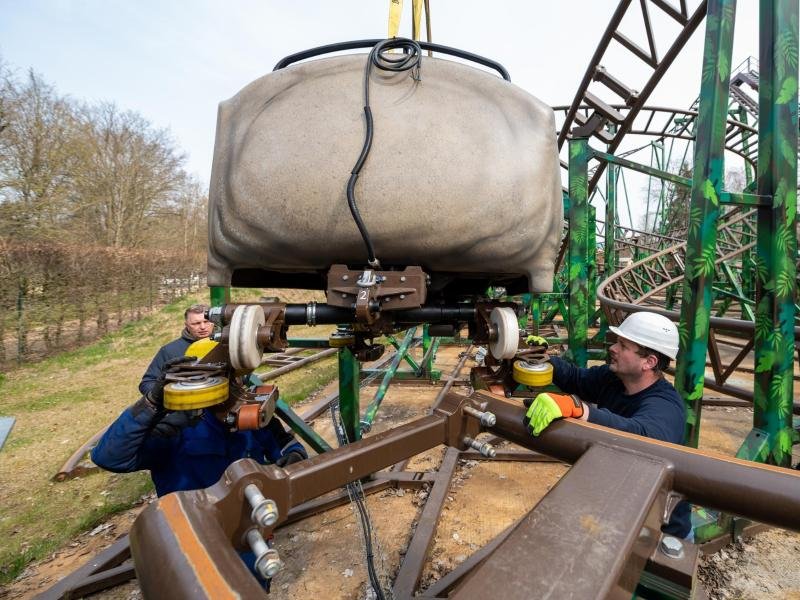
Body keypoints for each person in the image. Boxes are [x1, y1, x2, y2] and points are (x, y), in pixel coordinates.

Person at [523, 311, 692, 540]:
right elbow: (575, 378)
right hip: (618, 511)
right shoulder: (613, 379)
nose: (613, 348)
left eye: (623, 345)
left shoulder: (665, 406)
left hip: (657, 531)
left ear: (649, 362)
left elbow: (643, 436)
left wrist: (581, 410)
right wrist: (544, 359)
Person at [138, 304, 213, 396]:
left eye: (206, 321)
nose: (202, 327)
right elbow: (147, 383)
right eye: (196, 323)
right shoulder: (169, 350)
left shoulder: (226, 345)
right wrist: (164, 392)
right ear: (187, 325)